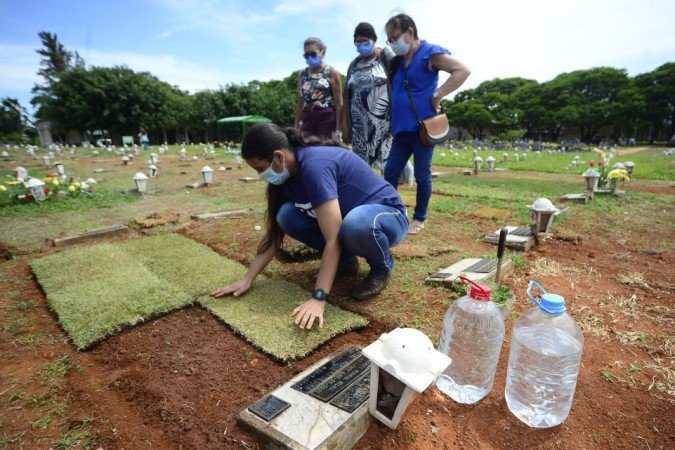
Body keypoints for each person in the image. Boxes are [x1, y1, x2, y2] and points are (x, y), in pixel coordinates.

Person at [211, 123, 408, 330]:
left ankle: (381, 269)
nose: (261, 175)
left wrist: (319, 297)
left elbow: (333, 237)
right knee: (286, 216)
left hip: (387, 216)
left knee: (355, 224)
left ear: (278, 156)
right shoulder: (285, 179)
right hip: (351, 222)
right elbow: (274, 235)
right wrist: (247, 278)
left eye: (261, 168)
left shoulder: (315, 167)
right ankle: (346, 263)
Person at [383, 14, 471, 234]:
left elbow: (462, 70)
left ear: (409, 32)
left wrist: (438, 95)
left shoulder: (429, 53)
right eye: (389, 41)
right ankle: (394, 212)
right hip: (401, 130)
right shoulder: (398, 62)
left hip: (423, 129)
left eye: (395, 38)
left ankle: (419, 217)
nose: (393, 43)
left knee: (422, 175)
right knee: (390, 172)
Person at [343, 22, 395, 172]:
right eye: (357, 42)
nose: (361, 45)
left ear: (374, 40)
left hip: (384, 126)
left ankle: (388, 195)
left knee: (388, 168)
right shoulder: (354, 65)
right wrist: (346, 125)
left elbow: (398, 86)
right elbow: (347, 97)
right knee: (361, 170)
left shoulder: (386, 57)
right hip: (359, 128)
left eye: (364, 42)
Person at [294, 37, 343, 140]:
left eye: (313, 53)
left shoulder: (331, 72)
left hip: (326, 119)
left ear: (322, 53)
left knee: (324, 151)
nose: (309, 57)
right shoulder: (302, 74)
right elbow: (300, 104)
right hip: (307, 119)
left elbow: (339, 105)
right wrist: (295, 127)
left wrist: (338, 129)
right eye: (306, 55)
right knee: (306, 149)